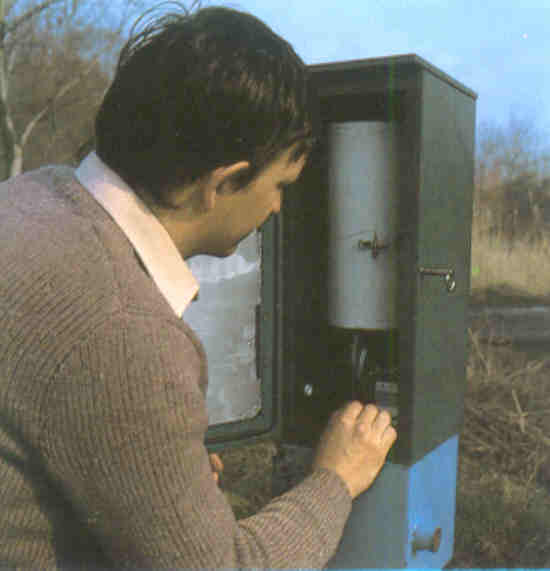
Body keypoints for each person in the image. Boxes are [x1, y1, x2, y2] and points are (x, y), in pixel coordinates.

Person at [0, 4, 397, 568]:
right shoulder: (123, 332)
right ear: (223, 183)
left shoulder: (31, 195)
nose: (278, 208)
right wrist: (336, 478)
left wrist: (155, 475)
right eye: (281, 186)